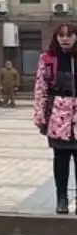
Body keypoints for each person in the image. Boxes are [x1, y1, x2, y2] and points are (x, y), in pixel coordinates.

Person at [34, 22, 77, 214]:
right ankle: (61, 198)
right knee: (60, 159)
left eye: (69, 35)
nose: (65, 39)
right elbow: (40, 88)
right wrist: (40, 116)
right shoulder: (48, 58)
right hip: (58, 115)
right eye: (61, 35)